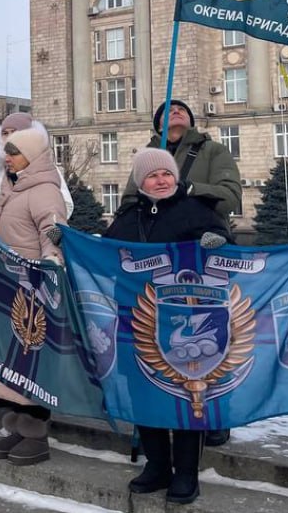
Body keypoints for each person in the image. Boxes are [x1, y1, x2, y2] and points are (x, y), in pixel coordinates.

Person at [105, 147, 232, 505]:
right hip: (137, 319)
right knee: (143, 391)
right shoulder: (128, 216)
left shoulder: (196, 210)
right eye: (152, 175)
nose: (161, 180)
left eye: (166, 174)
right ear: (140, 182)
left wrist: (218, 242)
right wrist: (67, 242)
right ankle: (157, 465)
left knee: (187, 396)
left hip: (187, 322)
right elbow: (104, 255)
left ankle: (186, 472)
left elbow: (231, 255)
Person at [122, 98, 241, 448]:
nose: (175, 111)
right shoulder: (148, 155)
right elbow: (128, 202)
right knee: (158, 336)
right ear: (157, 124)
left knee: (210, 338)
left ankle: (215, 413)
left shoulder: (212, 151)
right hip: (155, 261)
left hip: (202, 257)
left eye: (181, 109)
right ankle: (158, 411)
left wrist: (189, 190)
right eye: (167, 110)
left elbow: (229, 197)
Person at [0, 127, 68, 466]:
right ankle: (17, 427)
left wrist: (50, 264)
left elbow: (53, 232)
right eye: (6, 151)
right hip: (10, 286)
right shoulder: (12, 186)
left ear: (31, 155)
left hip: (34, 291)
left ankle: (35, 433)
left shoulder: (44, 190)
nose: (7, 157)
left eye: (14, 152)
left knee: (33, 362)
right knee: (15, 362)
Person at [0, 112, 74, 228]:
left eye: (15, 132)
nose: (9, 137)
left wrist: (36, 227)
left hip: (33, 238)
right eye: (5, 133)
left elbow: (65, 205)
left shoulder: (46, 169)